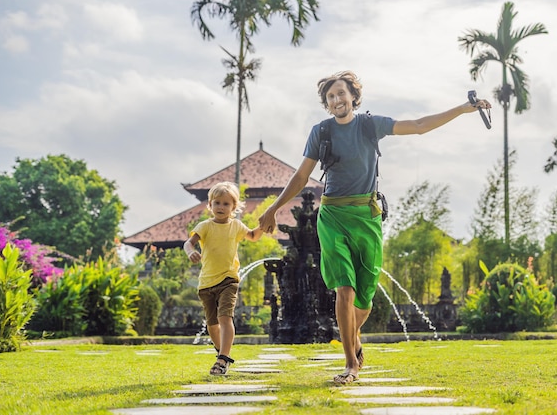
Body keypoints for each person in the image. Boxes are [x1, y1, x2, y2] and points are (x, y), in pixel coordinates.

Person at [258, 70, 491, 385]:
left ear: (353, 96)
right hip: (333, 216)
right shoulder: (320, 132)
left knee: (364, 298)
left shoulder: (370, 125)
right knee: (344, 288)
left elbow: (420, 126)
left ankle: (353, 336)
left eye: (341, 93)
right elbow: (301, 177)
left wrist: (463, 109)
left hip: (367, 217)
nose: (337, 100)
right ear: (326, 105)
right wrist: (273, 208)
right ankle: (351, 363)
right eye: (331, 97)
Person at [184, 181, 264, 375]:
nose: (221, 207)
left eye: (226, 204)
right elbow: (189, 243)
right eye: (217, 203)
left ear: (234, 207)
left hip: (228, 279)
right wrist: (190, 252)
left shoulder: (236, 225)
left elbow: (253, 236)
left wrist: (264, 224)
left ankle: (223, 358)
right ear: (210, 205)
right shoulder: (204, 226)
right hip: (206, 283)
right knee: (212, 325)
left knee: (224, 317)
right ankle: (220, 352)